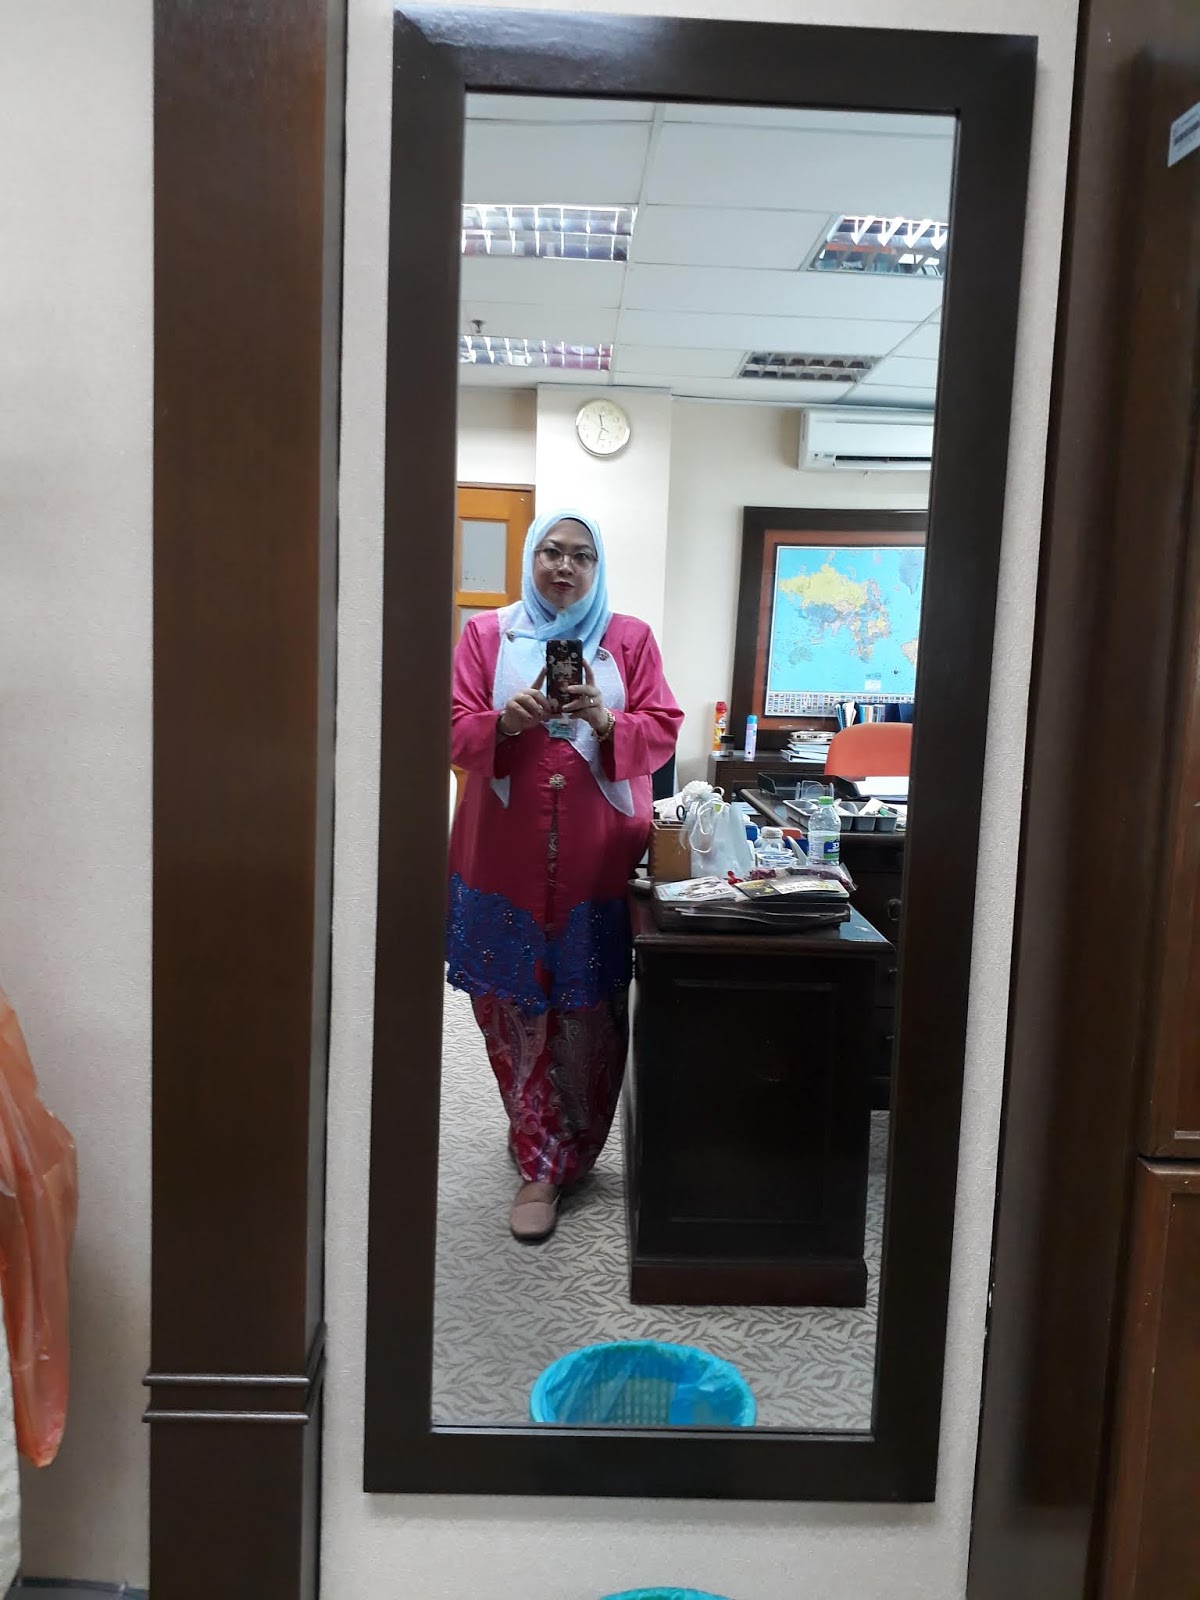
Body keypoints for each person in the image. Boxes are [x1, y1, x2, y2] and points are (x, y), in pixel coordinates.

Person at [447, 509, 683, 1242]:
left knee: (589, 1007)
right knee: (511, 1004)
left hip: (596, 860)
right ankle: (537, 1148)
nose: (564, 566)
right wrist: (503, 723)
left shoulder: (628, 638)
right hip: (502, 856)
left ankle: (566, 1147)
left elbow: (664, 726)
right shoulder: (487, 635)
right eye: (551, 551)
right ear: (532, 556)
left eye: (582, 555)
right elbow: (448, 724)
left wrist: (608, 722)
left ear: (597, 567)